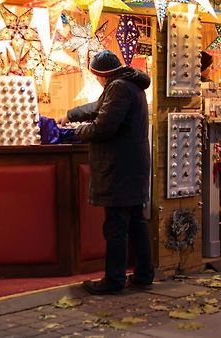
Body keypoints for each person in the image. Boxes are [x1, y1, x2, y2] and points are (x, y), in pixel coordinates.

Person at [57, 50, 154, 294]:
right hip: (133, 167)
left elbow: (104, 127)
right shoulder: (129, 84)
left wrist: (74, 131)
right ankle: (143, 275)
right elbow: (98, 107)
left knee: (116, 226)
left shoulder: (119, 87)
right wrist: (70, 114)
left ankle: (114, 280)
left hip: (120, 168)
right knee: (136, 223)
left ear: (100, 74)